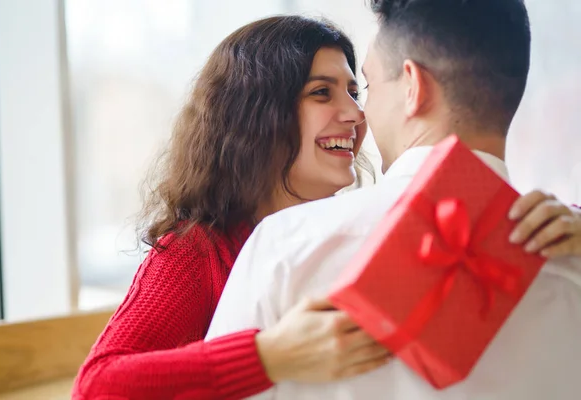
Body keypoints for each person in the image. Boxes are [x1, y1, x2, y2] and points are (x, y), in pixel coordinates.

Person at [206, 1, 581, 399]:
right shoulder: (570, 262)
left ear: (413, 87)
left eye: (364, 87)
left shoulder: (286, 245)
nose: (358, 112)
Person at [73, 16, 390, 400]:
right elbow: (96, 388)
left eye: (355, 93)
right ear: (256, 116)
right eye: (322, 92)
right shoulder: (198, 251)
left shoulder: (352, 234)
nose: (356, 114)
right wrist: (271, 358)